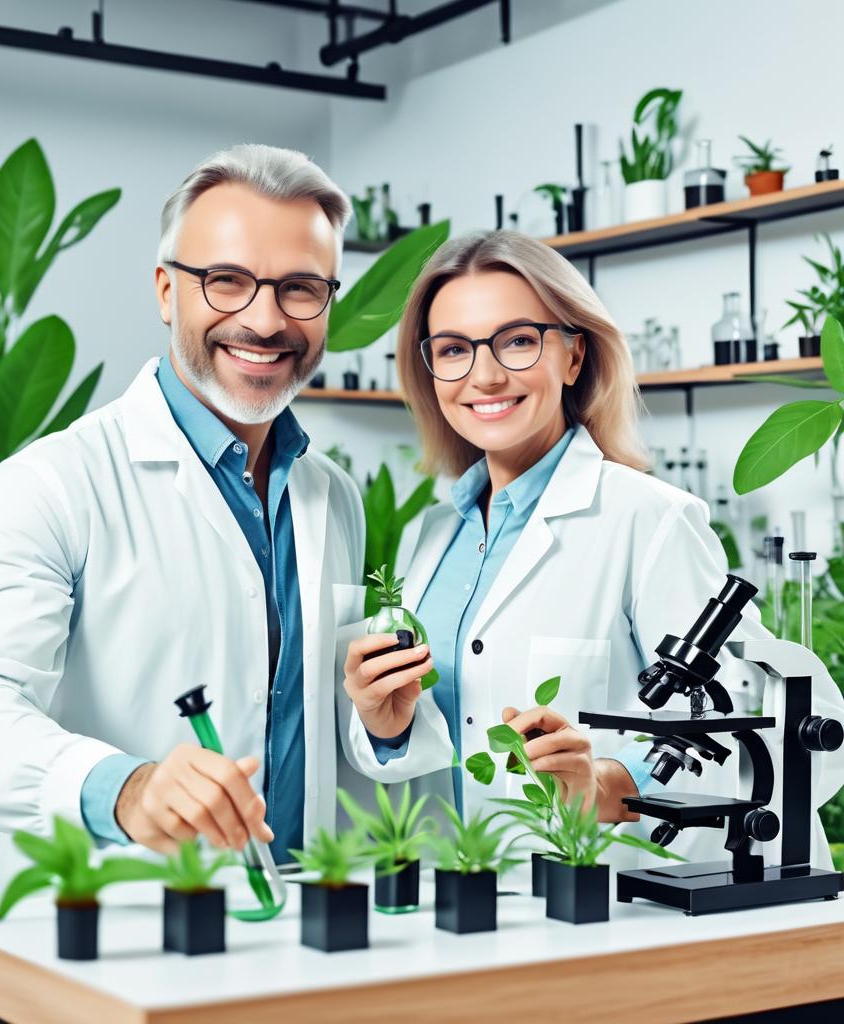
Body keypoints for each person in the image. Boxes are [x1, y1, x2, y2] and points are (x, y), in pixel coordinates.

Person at [0, 144, 368, 893]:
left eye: (300, 288)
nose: (264, 320)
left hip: (295, 933)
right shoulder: (52, 484)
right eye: (226, 281)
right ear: (166, 291)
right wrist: (125, 791)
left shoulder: (332, 496)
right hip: (113, 932)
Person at [340, 229, 844, 867]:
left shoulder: (650, 519)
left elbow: (761, 727)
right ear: (430, 370)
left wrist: (609, 785)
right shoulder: (431, 537)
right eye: (453, 349)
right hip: (467, 901)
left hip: (613, 909)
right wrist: (386, 725)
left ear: (573, 357)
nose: (485, 375)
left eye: (518, 341)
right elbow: (443, 741)